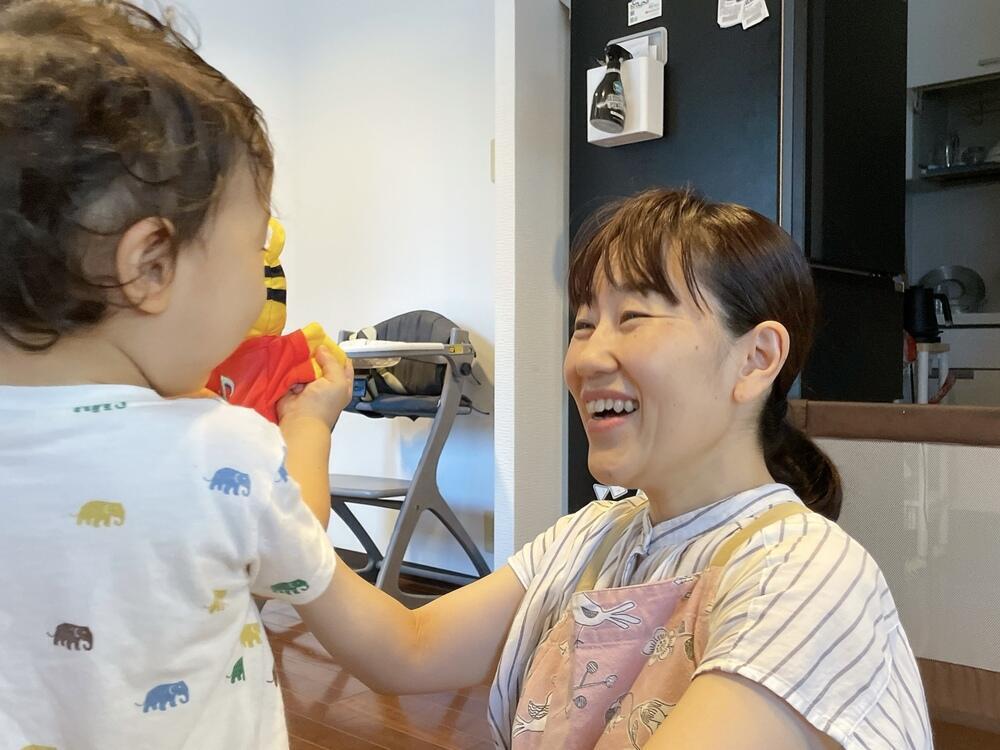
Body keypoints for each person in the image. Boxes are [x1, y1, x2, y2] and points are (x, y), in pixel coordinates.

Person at [295, 188, 934, 749]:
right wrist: (295, 472)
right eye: (583, 324)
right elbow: (409, 648)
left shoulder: (806, 574)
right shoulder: (591, 536)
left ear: (755, 359)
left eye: (632, 317)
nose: (587, 359)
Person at [0, 2, 352, 747]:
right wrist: (309, 426)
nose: (261, 286)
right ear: (150, 267)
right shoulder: (218, 446)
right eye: (256, 249)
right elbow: (297, 552)